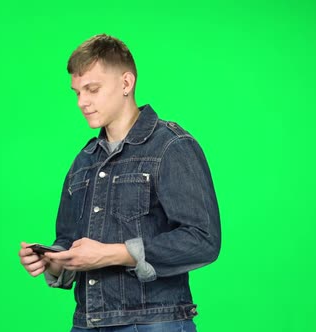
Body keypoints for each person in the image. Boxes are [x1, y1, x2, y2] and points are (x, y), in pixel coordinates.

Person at [19, 34, 221, 332]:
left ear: (126, 84)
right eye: (76, 92)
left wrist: (113, 253)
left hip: (154, 322)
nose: (82, 102)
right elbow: (70, 241)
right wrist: (55, 263)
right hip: (89, 323)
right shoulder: (83, 161)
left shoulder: (171, 146)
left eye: (92, 89)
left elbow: (203, 240)